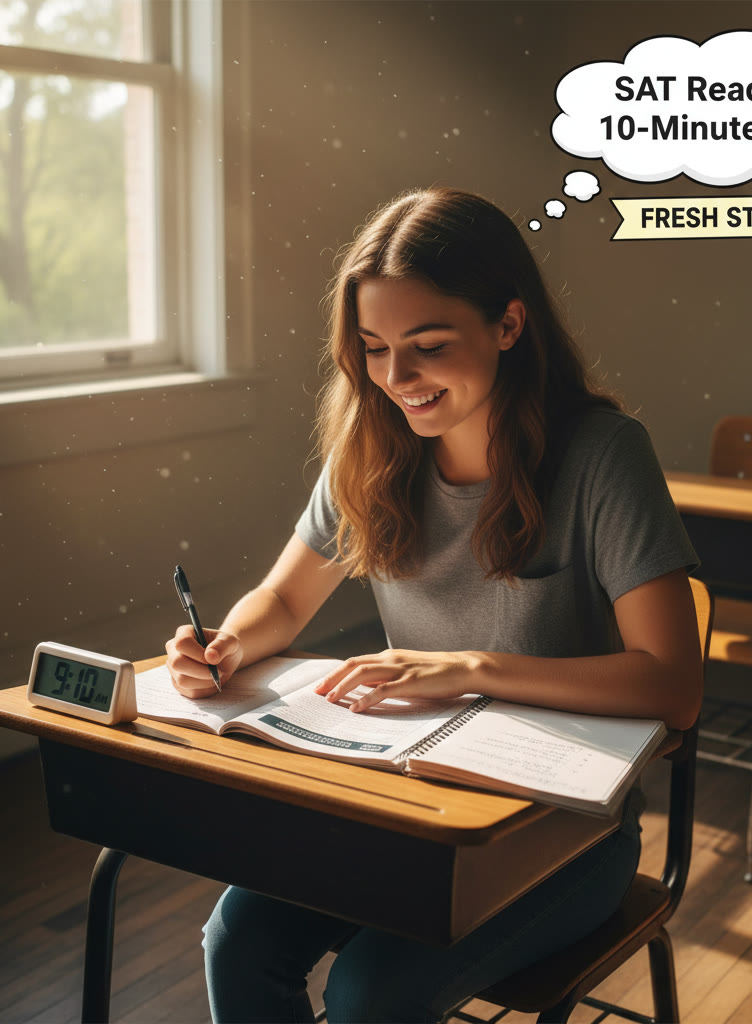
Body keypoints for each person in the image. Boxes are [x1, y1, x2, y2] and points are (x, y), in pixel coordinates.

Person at [165, 186, 702, 1023]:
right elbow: (283, 597)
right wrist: (227, 642)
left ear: (509, 325)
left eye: (428, 347)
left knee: (370, 992)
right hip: (406, 808)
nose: (395, 379)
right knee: (237, 942)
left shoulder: (603, 455)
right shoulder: (371, 444)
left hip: (566, 832)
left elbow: (675, 687)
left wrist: (471, 669)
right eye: (374, 349)